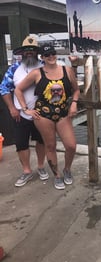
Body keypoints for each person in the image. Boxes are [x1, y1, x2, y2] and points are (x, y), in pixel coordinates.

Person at [15, 45, 80, 190]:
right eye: (47, 55)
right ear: (42, 58)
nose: (51, 56)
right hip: (43, 115)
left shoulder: (67, 70)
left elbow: (76, 90)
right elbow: (18, 89)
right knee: (50, 146)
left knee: (71, 145)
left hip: (63, 113)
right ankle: (57, 175)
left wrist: (74, 104)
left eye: (53, 53)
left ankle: (67, 170)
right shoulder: (36, 73)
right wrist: (26, 109)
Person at [0, 36, 49, 187]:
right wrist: (12, 108)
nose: (29, 53)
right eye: (26, 50)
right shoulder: (14, 69)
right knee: (21, 144)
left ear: (37, 52)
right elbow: (4, 89)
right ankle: (27, 171)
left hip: (41, 113)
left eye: (33, 50)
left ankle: (41, 166)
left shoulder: (44, 66)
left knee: (41, 141)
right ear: (21, 52)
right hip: (20, 114)